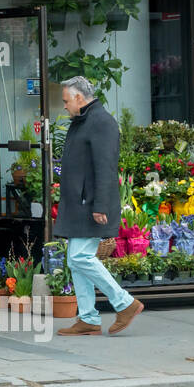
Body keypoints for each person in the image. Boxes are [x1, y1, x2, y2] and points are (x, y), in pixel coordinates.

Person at [53, 76, 143, 336]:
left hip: (91, 204)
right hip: (82, 203)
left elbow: (106, 167)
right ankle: (89, 318)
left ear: (80, 98)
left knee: (80, 257)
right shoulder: (84, 121)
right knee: (76, 259)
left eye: (66, 101)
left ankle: (125, 303)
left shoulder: (100, 122)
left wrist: (100, 205)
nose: (65, 106)